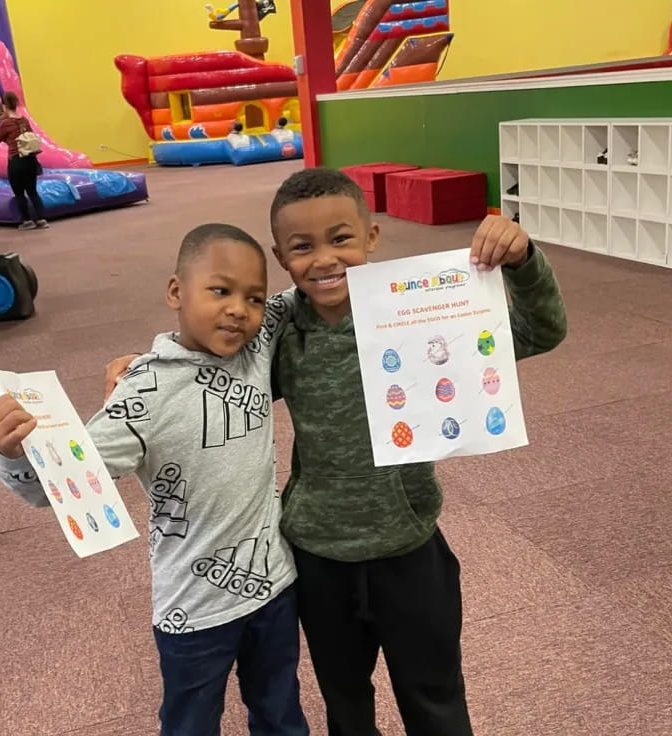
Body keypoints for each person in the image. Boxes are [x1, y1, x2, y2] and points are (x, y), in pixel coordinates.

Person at [105, 168, 568, 736]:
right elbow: (213, 351)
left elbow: (542, 332)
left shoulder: (418, 310)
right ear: (282, 256)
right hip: (317, 557)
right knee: (344, 702)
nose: (324, 259)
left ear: (372, 236)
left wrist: (523, 261)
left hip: (410, 546)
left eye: (341, 239)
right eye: (303, 247)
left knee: (435, 696)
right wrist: (147, 373)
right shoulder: (276, 333)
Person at [0, 223, 308, 736]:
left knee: (282, 715)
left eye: (253, 297)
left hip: (275, 586)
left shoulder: (257, 342)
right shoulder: (142, 397)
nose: (239, 309)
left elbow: (310, 290)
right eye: (219, 291)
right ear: (176, 291)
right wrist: (11, 452)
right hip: (194, 610)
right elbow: (57, 483)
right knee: (189, 725)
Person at [0, 91, 47, 230]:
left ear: (4, 106)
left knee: (19, 192)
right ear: (16, 104)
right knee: (32, 191)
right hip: (30, 159)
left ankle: (27, 221)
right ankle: (41, 219)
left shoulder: (5, 123)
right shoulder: (24, 120)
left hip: (16, 160)